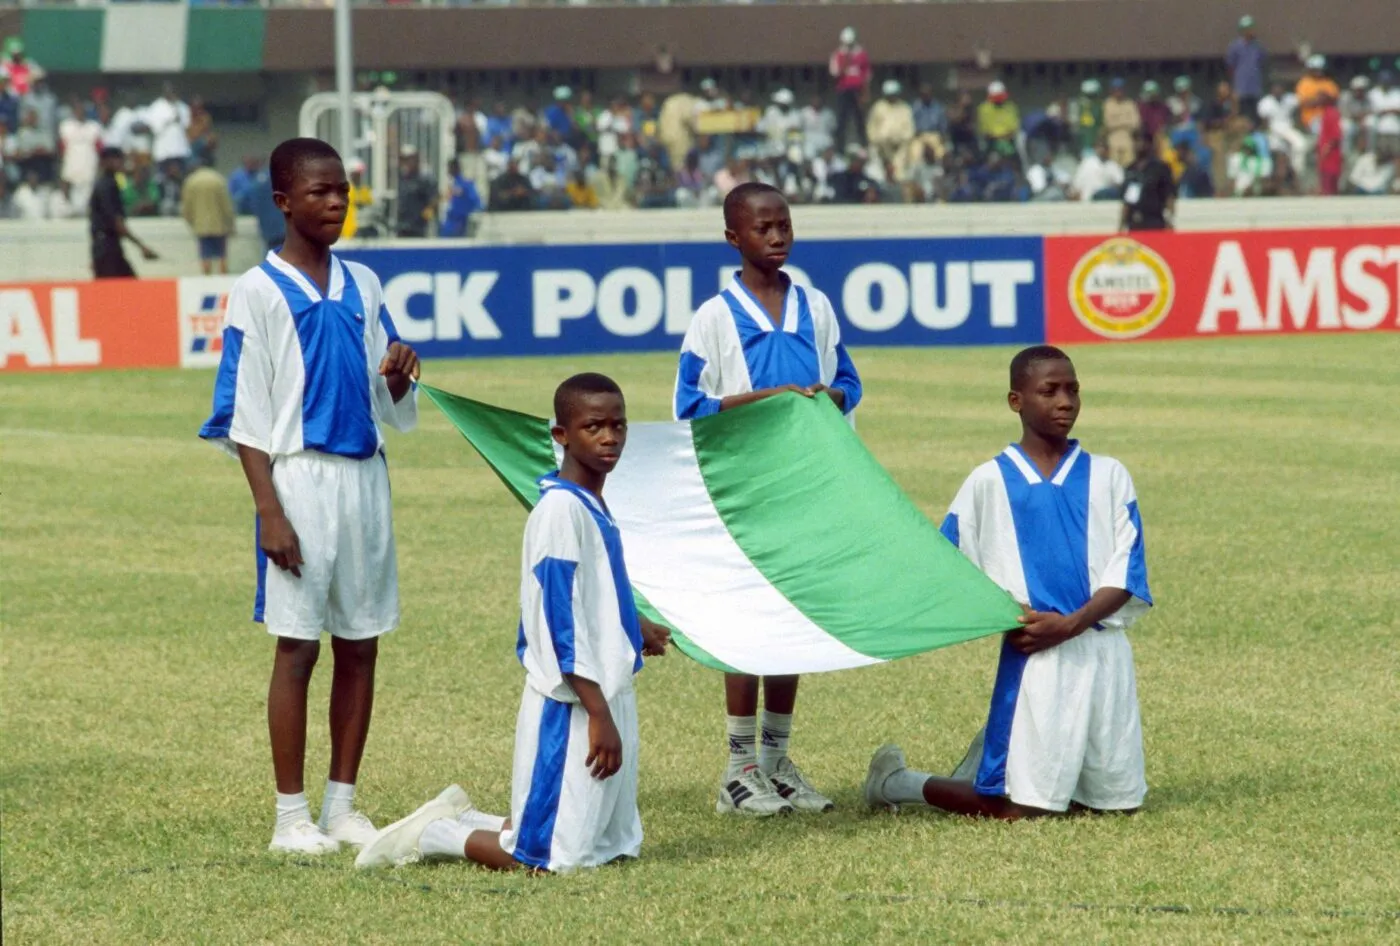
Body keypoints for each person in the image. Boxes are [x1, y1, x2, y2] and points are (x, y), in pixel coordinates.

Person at [197, 137, 422, 856]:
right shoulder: (257, 291)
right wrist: (269, 510)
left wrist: (398, 374)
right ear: (283, 201)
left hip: (364, 479)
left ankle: (341, 807)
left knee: (361, 644)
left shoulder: (364, 284)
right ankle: (289, 818)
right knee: (298, 647)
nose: (335, 204)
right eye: (320, 192)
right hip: (298, 481)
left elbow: (385, 396)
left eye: (343, 193)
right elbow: (245, 414)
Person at [355, 373, 670, 872]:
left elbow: (593, 587)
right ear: (561, 435)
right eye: (593, 427)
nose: (609, 437)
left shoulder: (590, 501)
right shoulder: (559, 511)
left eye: (618, 425)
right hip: (572, 704)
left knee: (609, 848)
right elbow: (560, 623)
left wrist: (634, 623)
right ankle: (435, 833)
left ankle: (469, 817)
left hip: (610, 690)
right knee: (547, 860)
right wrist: (599, 716)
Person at [863, 346, 1152, 821]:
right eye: (1049, 391)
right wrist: (1007, 614)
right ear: (1016, 401)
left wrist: (1071, 624)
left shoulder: (1110, 474)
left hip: (1103, 651)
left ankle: (1005, 757)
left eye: (1073, 390)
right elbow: (947, 568)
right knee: (1024, 810)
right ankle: (897, 782)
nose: (1065, 402)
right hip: (1037, 657)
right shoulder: (988, 481)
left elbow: (1127, 571)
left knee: (1116, 807)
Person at [673, 182, 862, 817]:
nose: (778, 236)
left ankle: (777, 762)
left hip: (804, 490)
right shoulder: (714, 317)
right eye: (763, 228)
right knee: (747, 619)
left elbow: (849, 382)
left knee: (791, 619)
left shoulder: (816, 305)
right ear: (734, 238)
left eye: (785, 224)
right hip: (747, 493)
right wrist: (769, 400)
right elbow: (689, 406)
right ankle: (738, 768)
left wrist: (825, 398)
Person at [90, 146, 157, 279]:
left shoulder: (107, 183)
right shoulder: (107, 186)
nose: (121, 163)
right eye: (118, 160)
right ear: (107, 161)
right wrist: (141, 246)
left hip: (106, 245)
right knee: (123, 286)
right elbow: (116, 222)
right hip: (107, 246)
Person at [181, 157, 236, 275]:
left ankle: (207, 278)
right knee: (222, 255)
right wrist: (230, 223)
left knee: (205, 255)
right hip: (219, 224)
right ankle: (223, 278)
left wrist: (190, 222)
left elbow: (186, 206)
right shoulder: (218, 179)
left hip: (200, 225)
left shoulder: (191, 181)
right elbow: (226, 205)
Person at [1120, 129, 1176, 231]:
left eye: (1142, 141)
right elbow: (1127, 200)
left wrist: (1169, 219)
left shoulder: (1160, 168)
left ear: (1150, 144)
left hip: (1155, 222)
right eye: (1136, 141)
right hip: (1134, 224)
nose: (1139, 145)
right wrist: (1122, 224)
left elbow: (1169, 196)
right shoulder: (1130, 169)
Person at [829, 27, 871, 148]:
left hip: (858, 90)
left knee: (860, 118)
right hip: (843, 90)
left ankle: (864, 145)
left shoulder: (862, 54)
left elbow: (867, 74)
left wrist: (865, 92)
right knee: (842, 119)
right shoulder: (838, 54)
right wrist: (846, 62)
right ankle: (840, 147)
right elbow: (834, 72)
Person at [867, 80, 915, 177]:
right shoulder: (878, 107)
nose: (891, 97)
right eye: (889, 94)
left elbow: (910, 128)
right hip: (881, 145)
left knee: (899, 169)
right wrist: (875, 139)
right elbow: (871, 126)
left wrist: (903, 138)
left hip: (900, 145)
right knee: (880, 168)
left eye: (893, 94)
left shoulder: (904, 108)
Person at [1225, 15, 1267, 119]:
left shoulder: (1258, 46)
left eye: (1252, 28)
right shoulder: (1235, 47)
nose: (1251, 31)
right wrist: (1233, 86)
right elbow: (1230, 67)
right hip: (1241, 88)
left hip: (1255, 88)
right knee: (1242, 115)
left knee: (1256, 115)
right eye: (1248, 29)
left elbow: (1262, 63)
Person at [394, 147, 436, 237]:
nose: (405, 163)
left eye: (408, 159)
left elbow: (433, 202)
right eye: (403, 159)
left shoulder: (424, 179)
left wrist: (424, 219)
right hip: (402, 226)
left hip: (418, 229)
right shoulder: (403, 178)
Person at [439, 158, 483, 236]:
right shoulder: (453, 185)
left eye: (450, 167)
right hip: (450, 222)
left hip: (460, 224)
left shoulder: (465, 185)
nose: (448, 170)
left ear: (456, 168)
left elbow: (477, 203)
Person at [1102, 79, 1141, 167]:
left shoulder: (1129, 103)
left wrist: (1118, 122)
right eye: (1116, 89)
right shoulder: (1108, 104)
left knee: (1129, 165)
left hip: (1128, 138)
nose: (1118, 92)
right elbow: (1108, 124)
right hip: (1113, 140)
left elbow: (1136, 123)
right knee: (1114, 166)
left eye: (1120, 89)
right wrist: (1126, 122)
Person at [1316, 92, 1344, 195]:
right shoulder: (1325, 113)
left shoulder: (1331, 113)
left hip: (1331, 156)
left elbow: (1336, 135)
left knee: (1330, 186)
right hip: (1325, 155)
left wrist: (1326, 149)